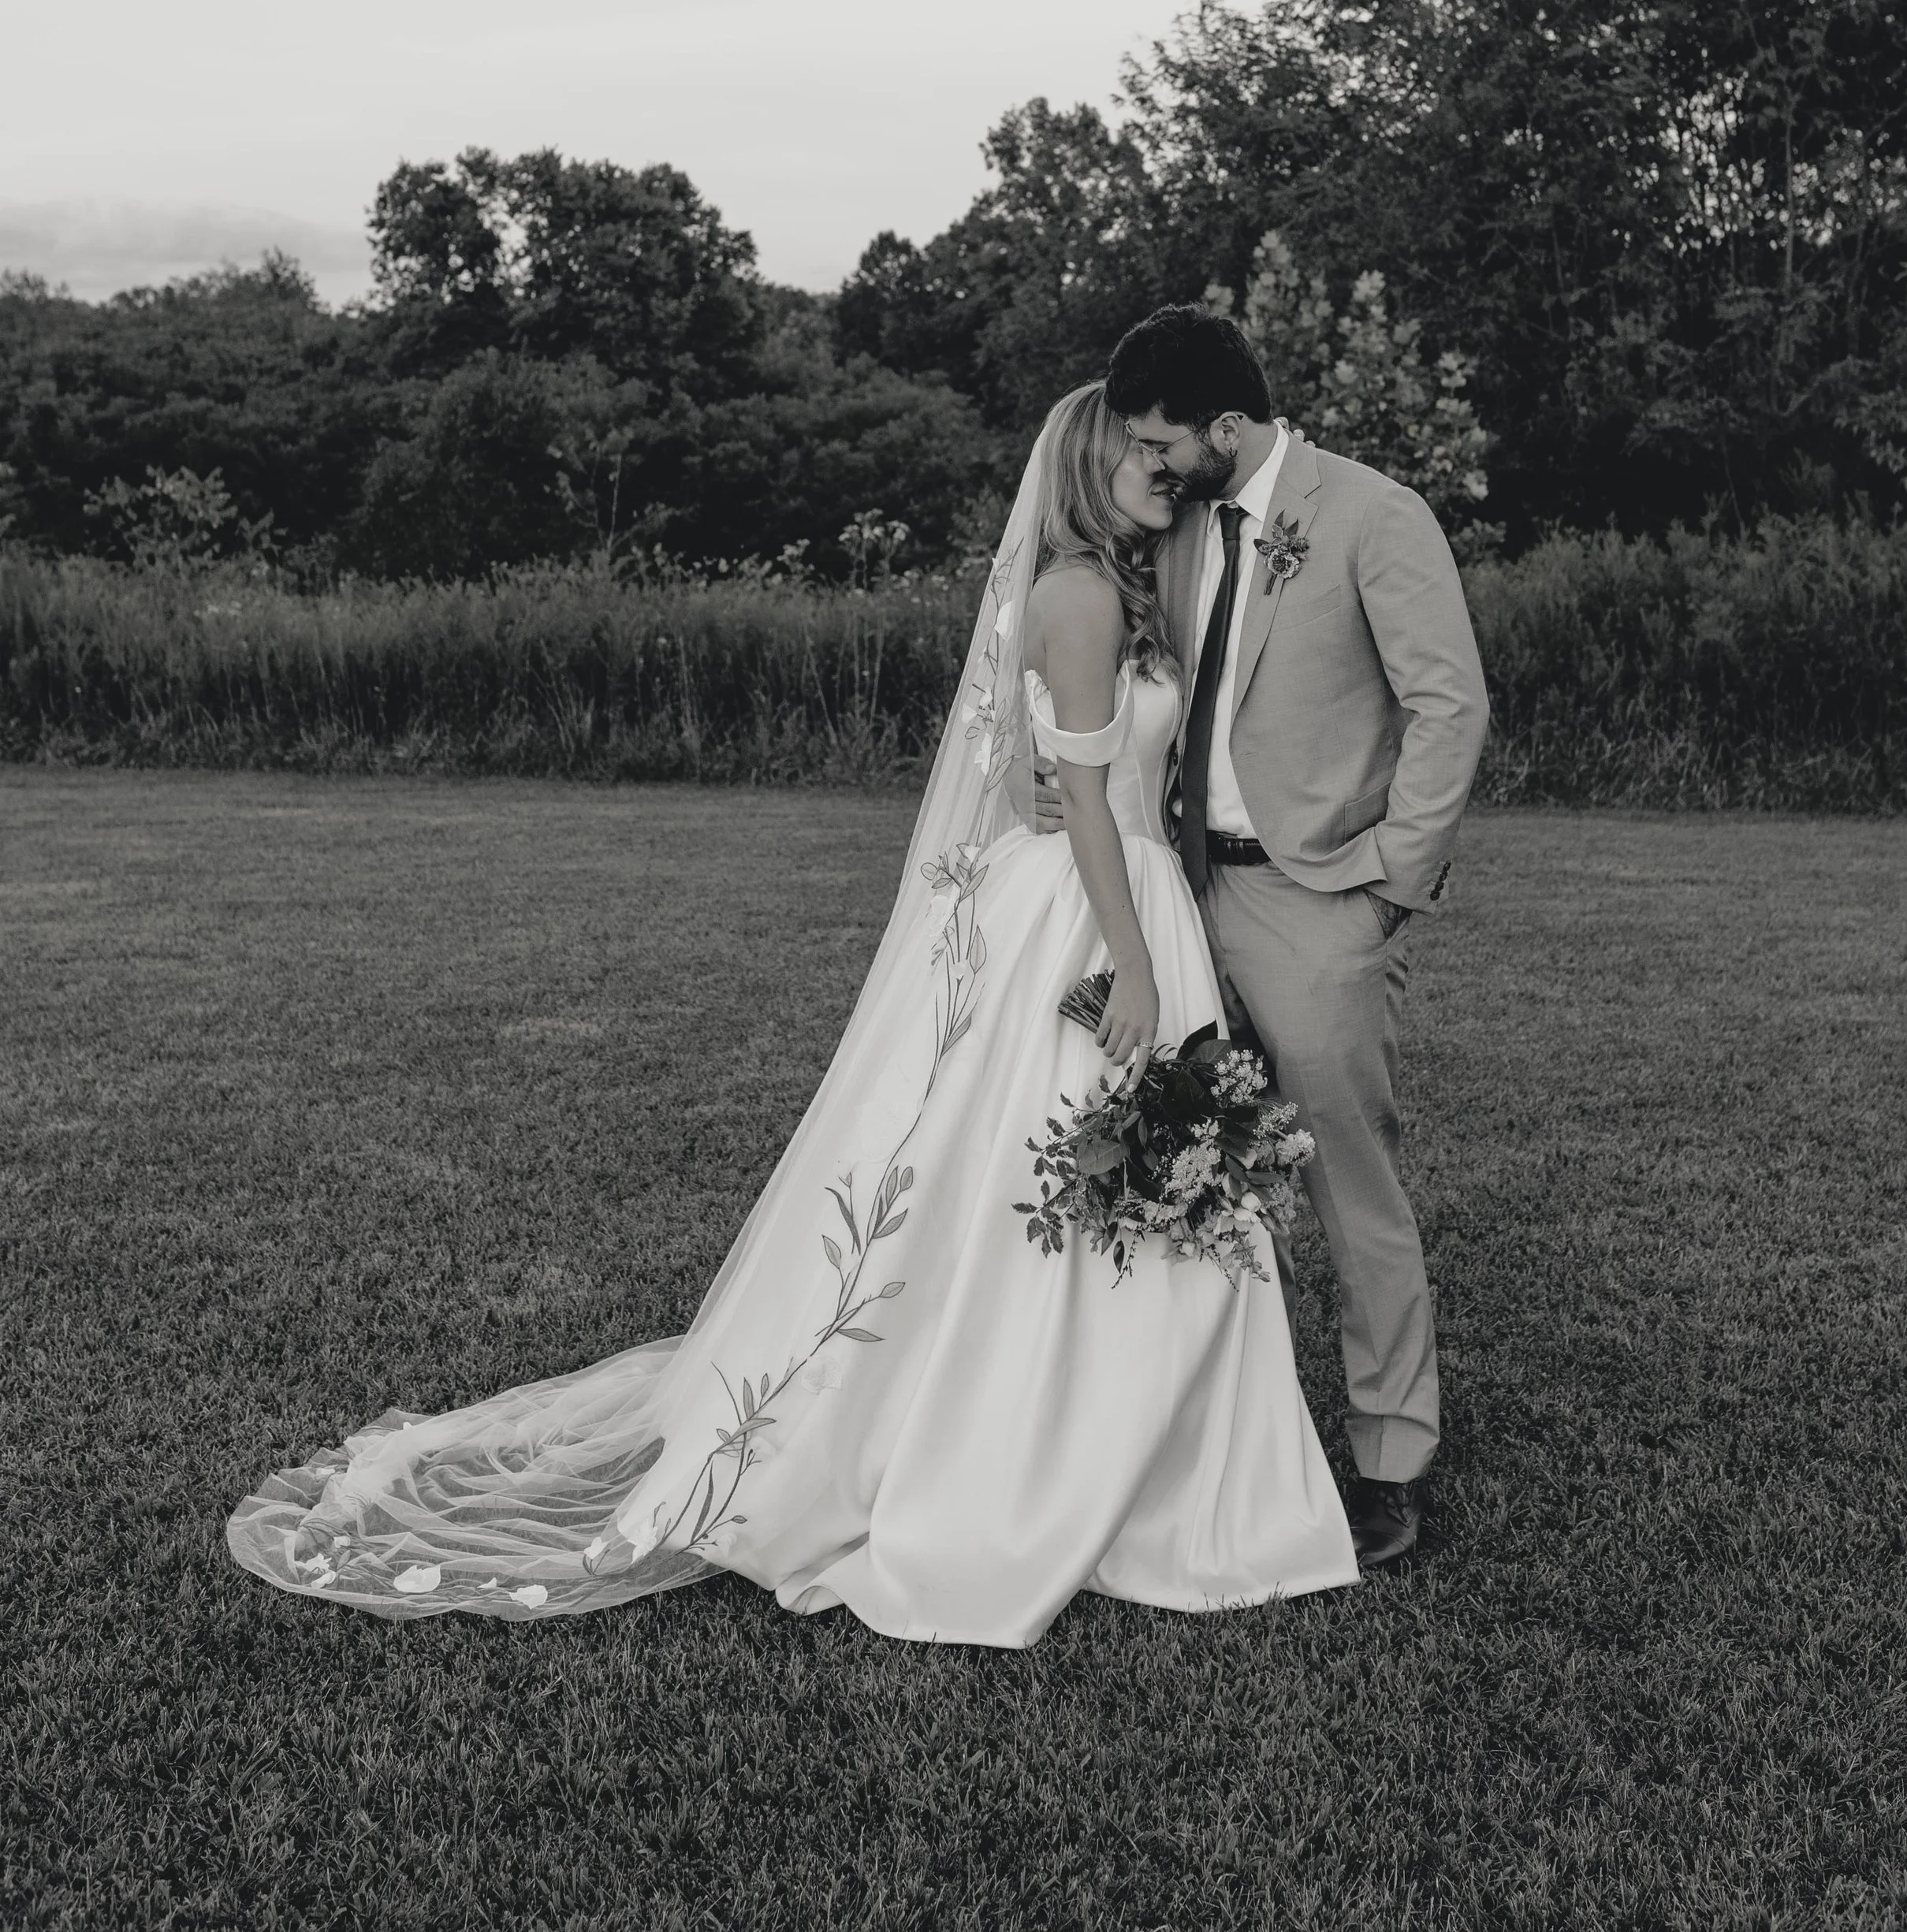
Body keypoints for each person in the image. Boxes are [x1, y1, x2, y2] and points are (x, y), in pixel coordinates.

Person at [226, 383, 1356, 1647]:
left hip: (1128, 893)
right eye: (1142, 452)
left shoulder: (1134, 584)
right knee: (1044, 1159)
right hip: (1095, 913)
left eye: (1171, 447)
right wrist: (1137, 970)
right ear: (1090, 467)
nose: (1167, 466)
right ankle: (1059, 1461)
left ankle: (1157, 1457)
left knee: (1091, 1170)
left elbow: (1092, 773)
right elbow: (1086, 803)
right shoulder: (1083, 596)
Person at [1102, 305, 1490, 1569]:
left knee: (1347, 1181)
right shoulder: (1176, 524)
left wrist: (1387, 887)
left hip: (1318, 899)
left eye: (1168, 441)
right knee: (1174, 1151)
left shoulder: (1377, 514)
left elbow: (1450, 705)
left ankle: (1389, 1455)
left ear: (1228, 427)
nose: (1152, 464)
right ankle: (1193, 1432)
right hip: (1180, 887)